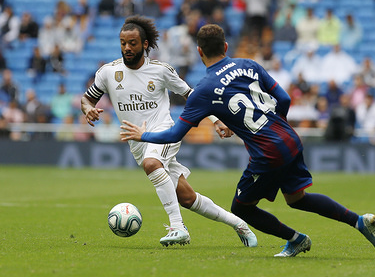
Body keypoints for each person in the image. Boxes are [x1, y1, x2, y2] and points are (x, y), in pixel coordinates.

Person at [120, 24, 375, 257]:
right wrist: (276, 126)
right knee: (297, 199)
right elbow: (284, 99)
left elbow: (174, 134)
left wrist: (142, 135)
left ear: (199, 52)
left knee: (242, 208)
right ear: (225, 46)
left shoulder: (204, 90)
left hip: (268, 153)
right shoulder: (249, 64)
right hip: (290, 138)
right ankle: (359, 221)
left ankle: (297, 240)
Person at [81, 16, 257, 247]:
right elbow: (87, 98)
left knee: (152, 163)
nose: (127, 48)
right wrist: (88, 109)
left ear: (144, 44)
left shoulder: (160, 71)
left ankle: (177, 227)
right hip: (137, 143)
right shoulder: (108, 73)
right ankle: (239, 224)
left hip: (163, 132)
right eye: (123, 43)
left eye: (132, 43)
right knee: (187, 198)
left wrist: (216, 119)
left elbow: (192, 96)